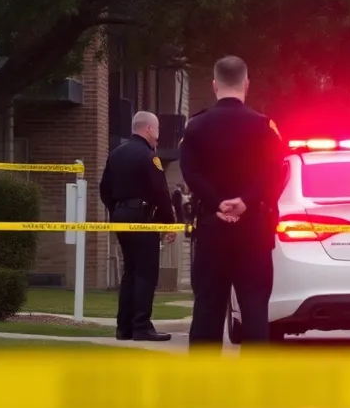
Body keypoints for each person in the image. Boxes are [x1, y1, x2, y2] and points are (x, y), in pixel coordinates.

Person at [179, 56, 286, 350]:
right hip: (253, 232)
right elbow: (275, 172)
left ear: (214, 85)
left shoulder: (196, 126)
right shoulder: (264, 126)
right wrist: (245, 202)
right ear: (246, 84)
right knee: (254, 308)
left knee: (207, 307)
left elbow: (190, 172)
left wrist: (217, 203)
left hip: (211, 229)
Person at [99, 111, 177, 342]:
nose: (158, 135)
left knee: (130, 271)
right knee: (145, 272)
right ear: (148, 129)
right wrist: (169, 223)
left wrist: (117, 211)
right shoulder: (148, 156)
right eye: (157, 130)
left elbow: (104, 189)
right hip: (143, 218)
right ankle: (142, 326)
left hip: (121, 216)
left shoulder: (116, 154)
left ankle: (124, 327)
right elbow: (161, 192)